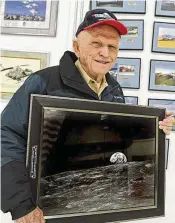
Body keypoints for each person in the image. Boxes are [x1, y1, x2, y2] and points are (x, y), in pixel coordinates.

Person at [1, 8, 174, 223]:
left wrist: (155, 126)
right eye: (96, 44)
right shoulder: (43, 82)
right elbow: (6, 138)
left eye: (112, 47)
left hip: (100, 204)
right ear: (77, 47)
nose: (105, 53)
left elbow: (121, 140)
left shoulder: (115, 90)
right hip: (49, 208)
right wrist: (20, 204)